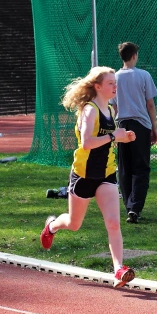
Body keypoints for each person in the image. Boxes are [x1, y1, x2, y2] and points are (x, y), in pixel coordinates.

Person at [40, 66, 137, 288]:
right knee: (74, 224)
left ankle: (119, 269)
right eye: (111, 83)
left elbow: (109, 140)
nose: (115, 86)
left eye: (115, 82)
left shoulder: (111, 110)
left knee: (113, 223)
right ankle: (52, 226)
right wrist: (114, 135)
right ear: (98, 86)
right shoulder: (90, 111)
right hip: (83, 174)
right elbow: (87, 143)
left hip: (106, 173)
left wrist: (123, 138)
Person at [111, 42, 157, 224]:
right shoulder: (144, 75)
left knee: (125, 167)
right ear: (134, 56)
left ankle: (129, 206)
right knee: (141, 167)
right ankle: (135, 207)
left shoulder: (115, 77)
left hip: (122, 124)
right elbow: (150, 104)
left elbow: (114, 105)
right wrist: (154, 128)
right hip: (140, 124)